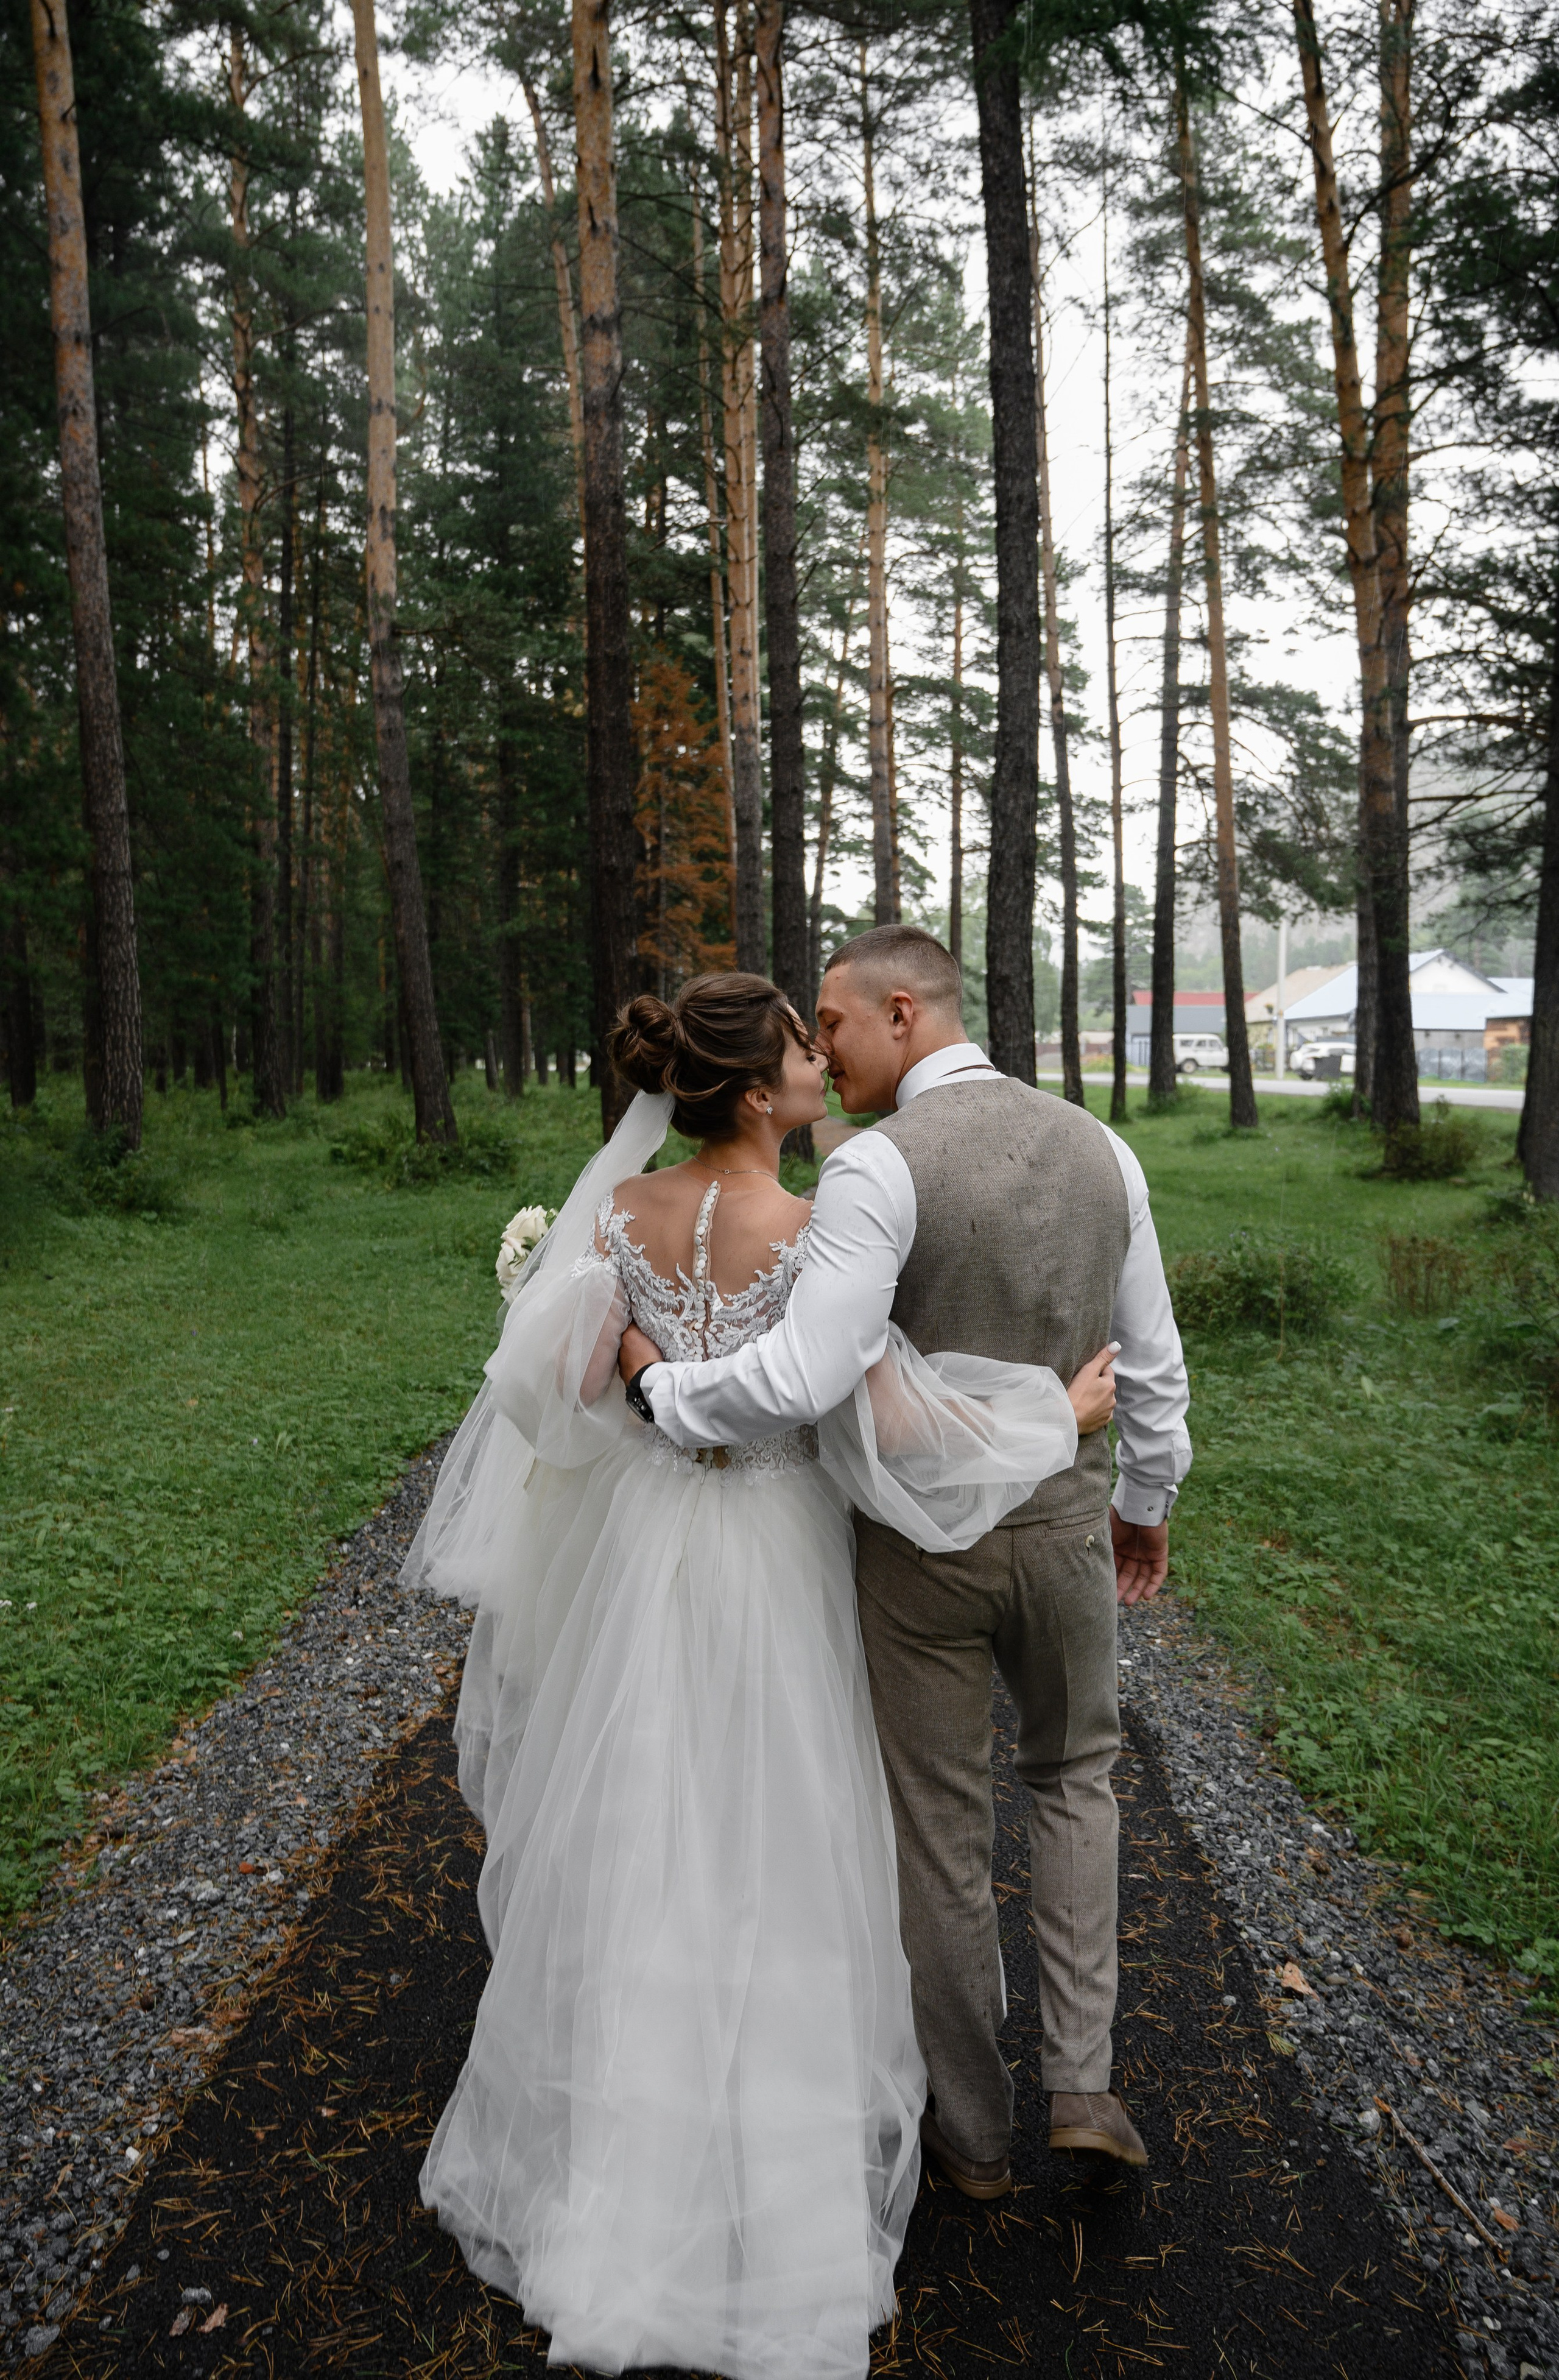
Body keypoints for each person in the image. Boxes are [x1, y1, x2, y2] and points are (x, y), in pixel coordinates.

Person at [401, 970, 1116, 2380]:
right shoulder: (808, 1228)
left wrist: (636, 1367)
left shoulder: (618, 1213)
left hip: (647, 1551)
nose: (814, 1058)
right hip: (780, 1556)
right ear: (750, 1090)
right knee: (782, 1841)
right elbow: (893, 1419)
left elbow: (551, 1391)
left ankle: (614, 2162)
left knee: (645, 1828)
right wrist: (1054, 1411)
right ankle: (773, 2172)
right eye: (798, 1043)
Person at [621, 926, 1191, 2200]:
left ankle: (973, 2135)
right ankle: (1083, 2085)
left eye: (831, 1021)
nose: (820, 1048)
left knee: (937, 1827)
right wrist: (1144, 1500)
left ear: (900, 1011)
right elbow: (1151, 1360)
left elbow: (806, 1374)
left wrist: (667, 1397)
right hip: (1061, 1531)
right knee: (1075, 1781)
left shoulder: (877, 1166)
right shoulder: (1103, 1149)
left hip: (919, 1555)